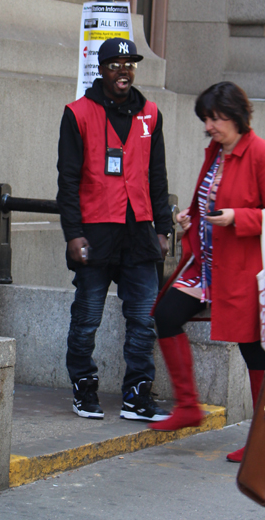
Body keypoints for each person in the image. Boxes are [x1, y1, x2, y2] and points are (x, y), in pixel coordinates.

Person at [57, 37, 173, 421]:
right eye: (115, 64)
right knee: (88, 315)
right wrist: (73, 233)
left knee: (144, 317)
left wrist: (163, 228)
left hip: (139, 231)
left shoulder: (150, 114)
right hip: (95, 230)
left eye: (130, 64)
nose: (124, 70)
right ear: (101, 70)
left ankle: (137, 394)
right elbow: (68, 180)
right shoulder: (78, 113)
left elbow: (157, 177)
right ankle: (84, 386)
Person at [151, 82, 265, 464]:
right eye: (207, 119)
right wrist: (190, 219)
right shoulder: (216, 152)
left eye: (216, 118)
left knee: (254, 351)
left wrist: (238, 217)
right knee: (166, 314)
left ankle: (262, 444)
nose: (210, 126)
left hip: (244, 270)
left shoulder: (259, 153)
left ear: (236, 116)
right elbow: (207, 200)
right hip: (206, 266)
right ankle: (188, 406)